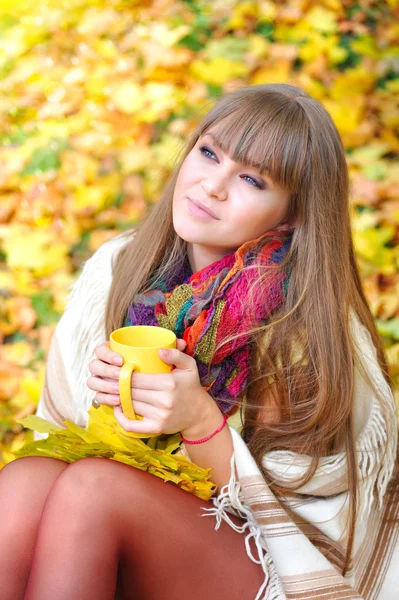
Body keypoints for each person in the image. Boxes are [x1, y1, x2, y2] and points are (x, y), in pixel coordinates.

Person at [0, 83, 398, 600]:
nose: (213, 186)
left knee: (93, 490)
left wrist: (199, 420)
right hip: (142, 508)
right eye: (208, 153)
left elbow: (306, 512)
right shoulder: (121, 268)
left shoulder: (306, 325)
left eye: (252, 179)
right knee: (27, 481)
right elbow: (66, 429)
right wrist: (106, 395)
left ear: (294, 214)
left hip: (267, 553)